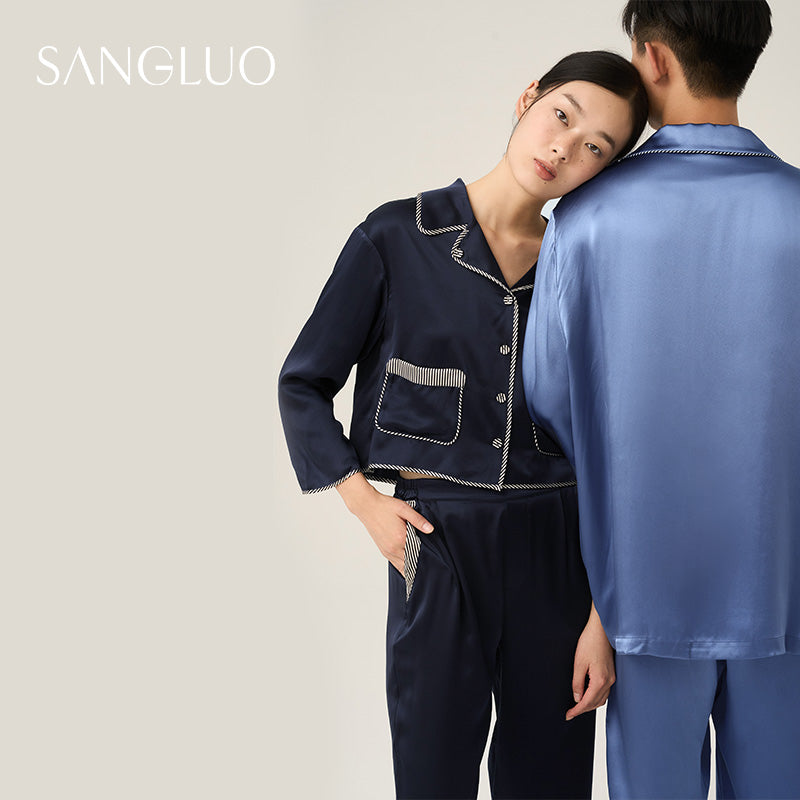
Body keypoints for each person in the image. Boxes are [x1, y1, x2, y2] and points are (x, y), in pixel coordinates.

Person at [278, 51, 647, 799]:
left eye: (594, 147)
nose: (563, 149)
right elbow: (303, 383)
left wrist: (602, 619)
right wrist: (366, 504)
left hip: (557, 549)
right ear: (529, 97)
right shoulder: (396, 237)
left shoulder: (581, 270)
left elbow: (618, 447)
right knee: (431, 773)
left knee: (548, 779)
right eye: (562, 116)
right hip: (437, 541)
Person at [523, 2, 800, 798]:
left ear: (653, 59)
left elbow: (548, 393)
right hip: (784, 592)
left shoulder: (586, 217)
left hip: (639, 594)